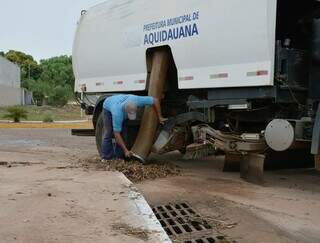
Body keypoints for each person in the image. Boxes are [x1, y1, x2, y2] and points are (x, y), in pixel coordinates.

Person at [101, 94, 167, 161]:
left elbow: (155, 100)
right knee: (108, 132)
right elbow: (117, 134)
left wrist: (160, 117)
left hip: (119, 102)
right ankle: (106, 157)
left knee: (124, 131)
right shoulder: (117, 113)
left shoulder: (137, 100)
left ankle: (119, 156)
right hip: (108, 106)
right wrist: (126, 150)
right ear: (125, 111)